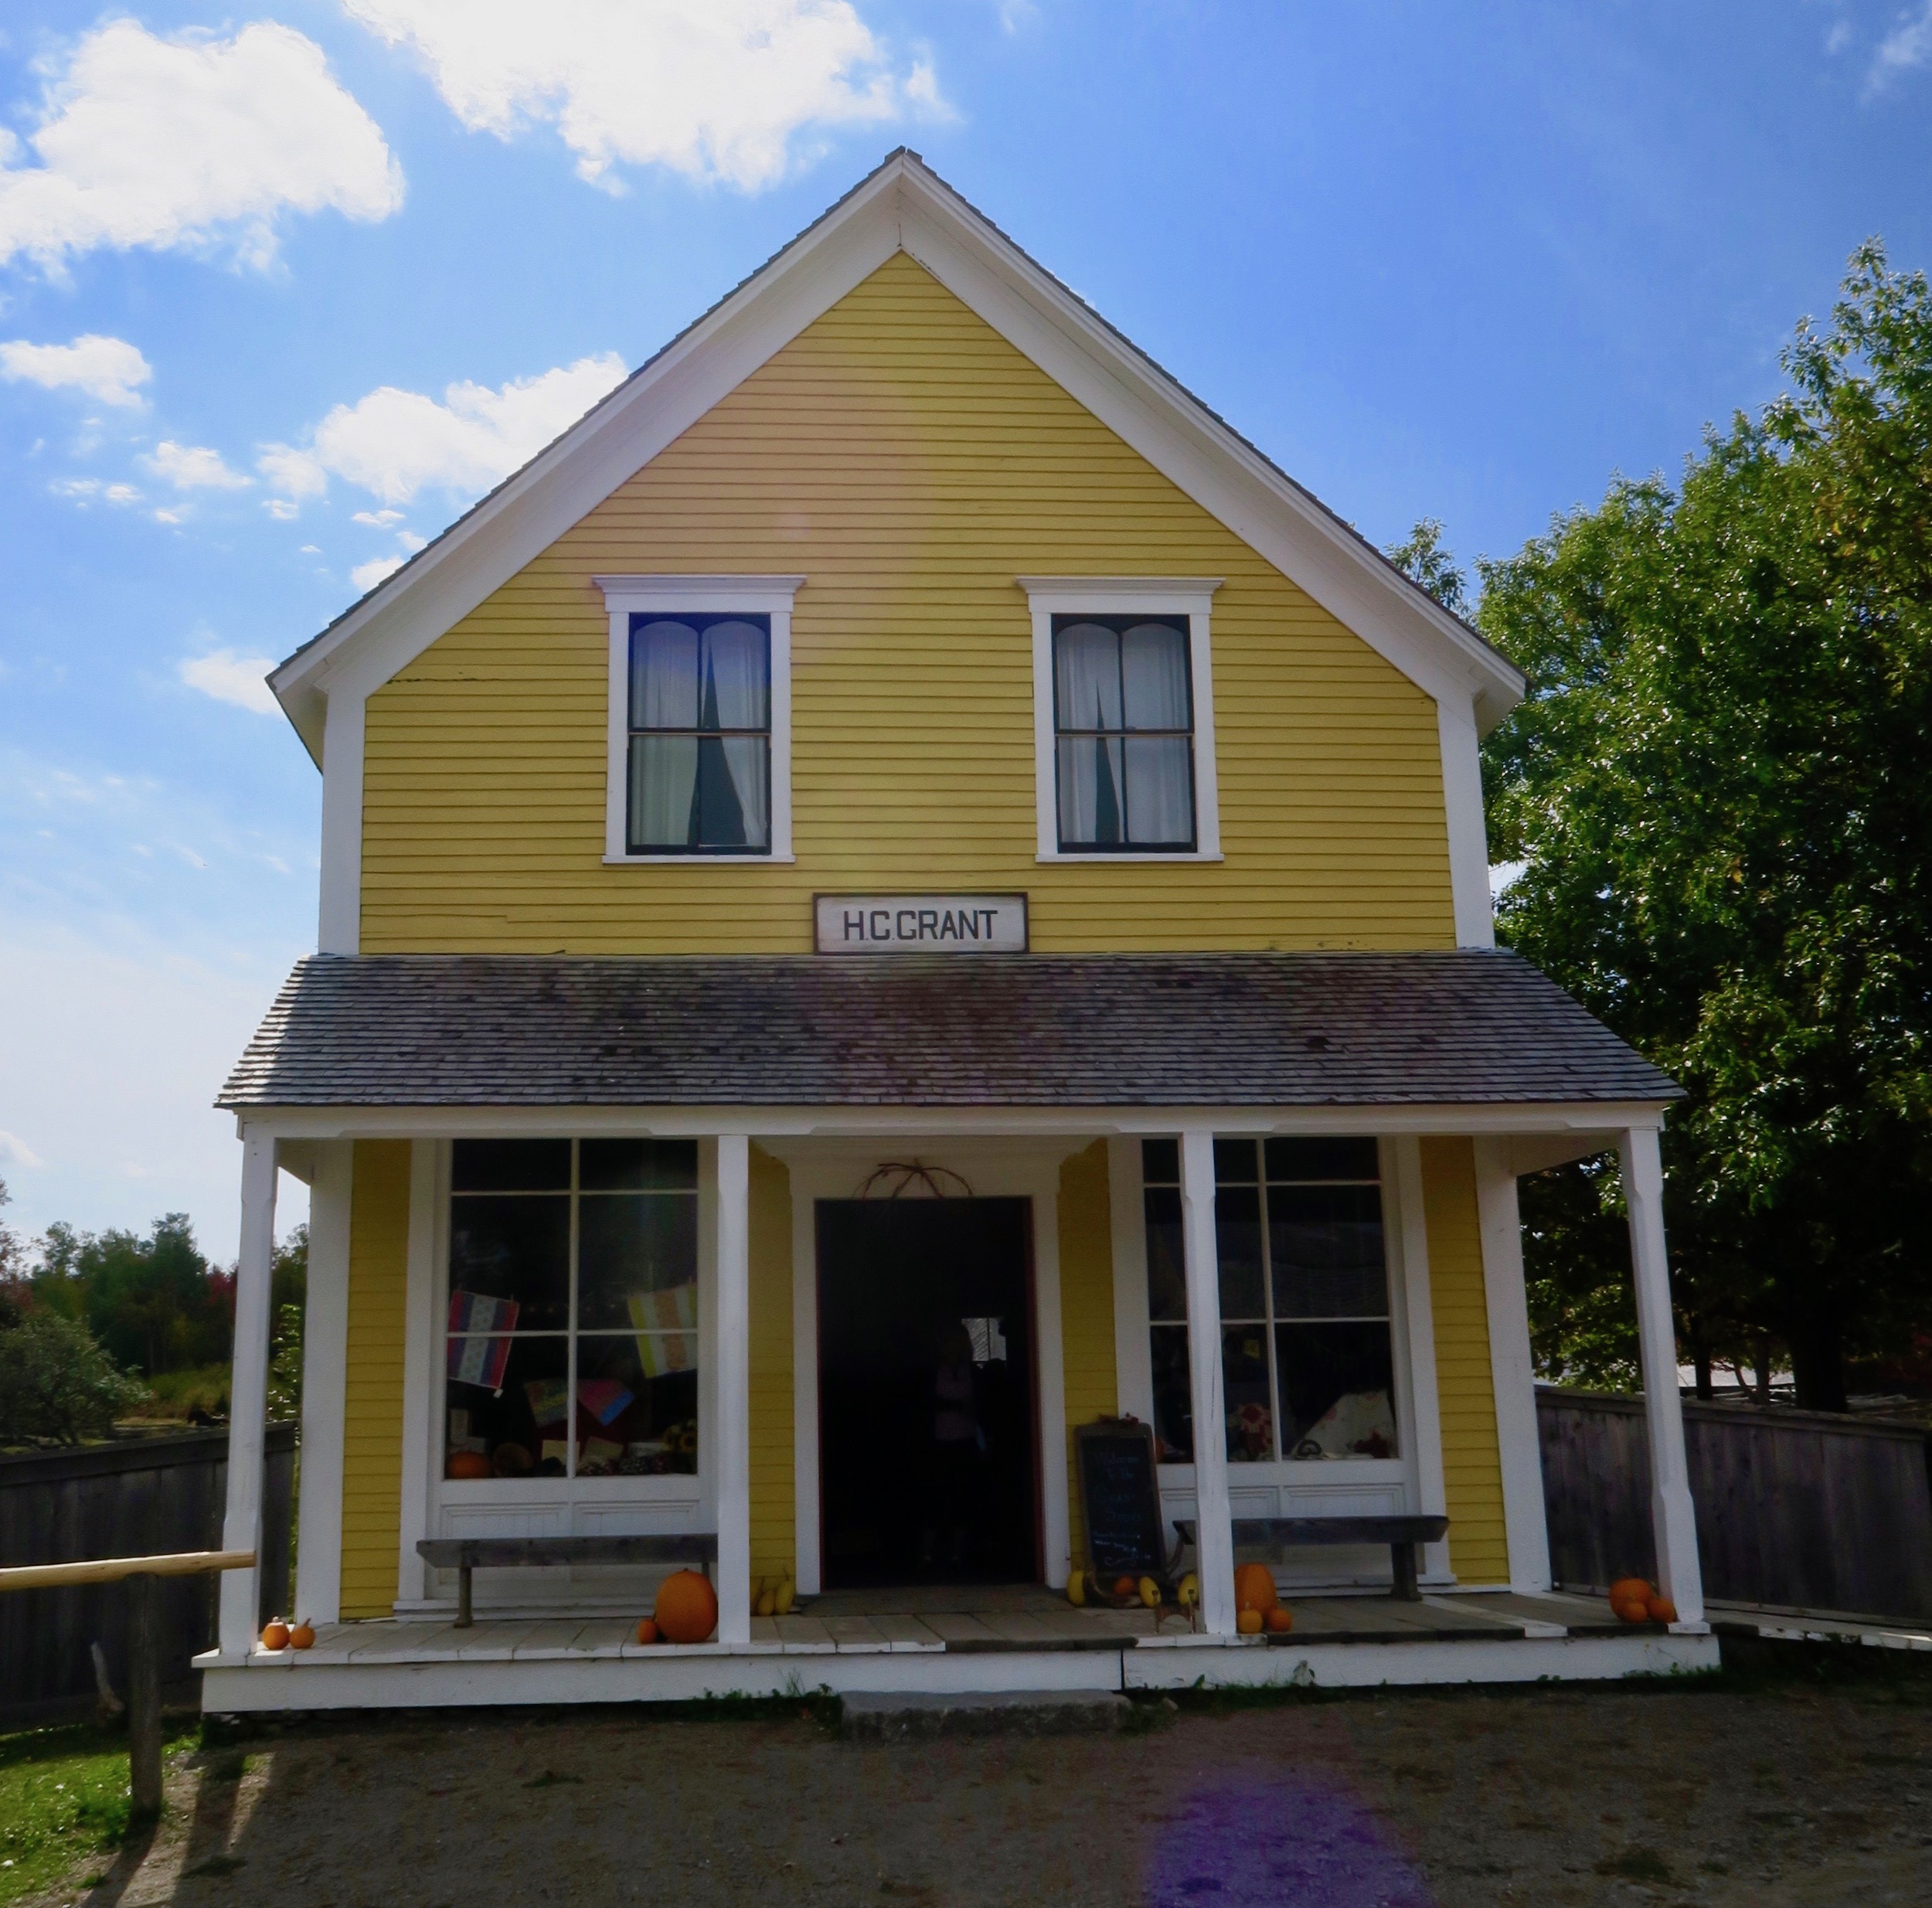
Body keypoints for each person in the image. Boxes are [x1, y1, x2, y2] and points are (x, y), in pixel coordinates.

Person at [921, 1321, 983, 1572]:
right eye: (946, 1341)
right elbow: (923, 1405)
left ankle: (959, 1555)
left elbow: (980, 1406)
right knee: (933, 1498)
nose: (950, 1346)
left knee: (963, 1499)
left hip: (966, 1443)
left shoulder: (973, 1372)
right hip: (936, 1444)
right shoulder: (931, 1371)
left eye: (955, 1341)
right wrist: (957, 1406)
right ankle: (926, 1555)